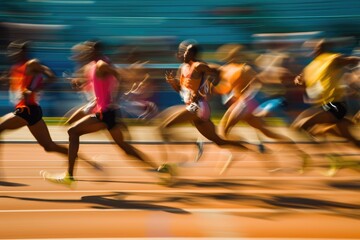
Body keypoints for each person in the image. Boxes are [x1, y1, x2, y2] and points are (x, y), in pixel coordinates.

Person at [41, 41, 165, 186]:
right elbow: (98, 84)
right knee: (124, 147)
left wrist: (114, 98)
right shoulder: (93, 66)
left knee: (73, 132)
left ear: (95, 50)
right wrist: (80, 84)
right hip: (107, 112)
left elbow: (120, 77)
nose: (86, 52)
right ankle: (159, 169)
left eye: (89, 50)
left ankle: (69, 175)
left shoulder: (101, 64)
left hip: (105, 112)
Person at [210, 44, 309, 172]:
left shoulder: (245, 68)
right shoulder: (226, 69)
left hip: (246, 103)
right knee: (268, 133)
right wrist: (214, 89)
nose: (226, 56)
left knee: (224, 132)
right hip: (241, 104)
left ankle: (242, 151)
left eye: (229, 54)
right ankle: (300, 154)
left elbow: (258, 83)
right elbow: (226, 89)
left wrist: (249, 89)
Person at [157, 42, 249, 171]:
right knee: (220, 142)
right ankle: (250, 149)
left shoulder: (198, 66)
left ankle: (172, 160)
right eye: (184, 52)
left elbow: (217, 72)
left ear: (193, 54)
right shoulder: (183, 68)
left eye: (187, 52)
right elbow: (181, 90)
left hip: (197, 106)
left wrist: (207, 88)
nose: (184, 54)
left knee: (164, 127)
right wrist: (173, 83)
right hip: (193, 107)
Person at [292, 39, 360, 175]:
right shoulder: (311, 66)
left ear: (325, 49)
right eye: (315, 48)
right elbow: (306, 83)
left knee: (301, 126)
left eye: (319, 47)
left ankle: (334, 159)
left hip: (335, 106)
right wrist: (299, 80)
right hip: (324, 105)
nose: (316, 50)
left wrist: (354, 63)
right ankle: (339, 160)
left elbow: (351, 59)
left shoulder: (332, 59)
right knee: (351, 139)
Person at [0, 40, 70, 164]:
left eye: (14, 50)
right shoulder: (15, 67)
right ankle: (85, 160)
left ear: (23, 52)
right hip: (30, 111)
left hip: (27, 109)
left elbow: (51, 76)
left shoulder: (32, 63)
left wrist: (34, 89)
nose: (11, 53)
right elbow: (15, 83)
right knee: (49, 146)